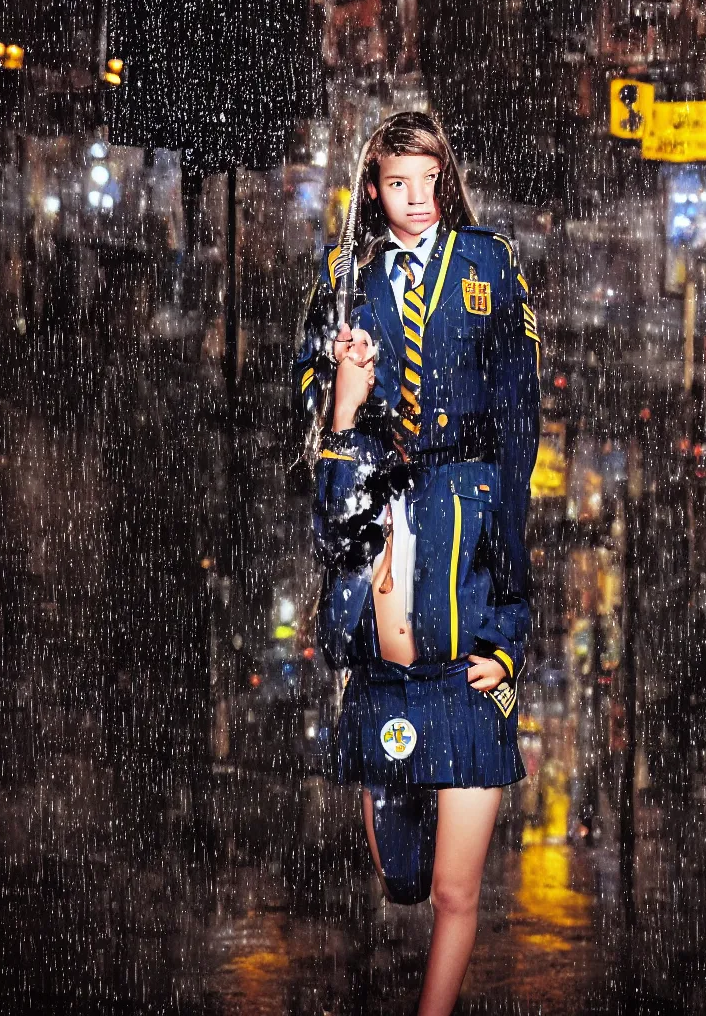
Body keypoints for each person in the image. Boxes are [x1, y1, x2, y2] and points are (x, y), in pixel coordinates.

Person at [293, 110, 541, 1015]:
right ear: (373, 188)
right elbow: (328, 512)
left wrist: (507, 650)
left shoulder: (485, 264)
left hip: (463, 679)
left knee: (453, 894)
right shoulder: (346, 277)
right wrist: (347, 408)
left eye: (429, 181)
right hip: (386, 681)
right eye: (398, 183)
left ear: (447, 179)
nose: (417, 201)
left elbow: (517, 448)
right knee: (402, 877)